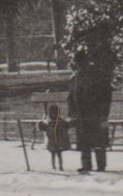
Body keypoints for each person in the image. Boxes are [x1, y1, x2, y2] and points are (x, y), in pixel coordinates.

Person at [68, 44, 113, 173]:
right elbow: (71, 97)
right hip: (82, 114)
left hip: (95, 113)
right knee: (84, 141)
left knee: (98, 140)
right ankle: (86, 164)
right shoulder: (75, 78)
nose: (78, 65)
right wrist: (72, 113)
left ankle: (101, 165)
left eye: (79, 62)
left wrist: (104, 114)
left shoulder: (97, 76)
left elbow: (106, 96)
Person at [37, 102, 71, 171]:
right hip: (52, 141)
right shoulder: (50, 122)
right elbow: (42, 127)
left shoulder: (59, 121)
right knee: (53, 153)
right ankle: (54, 166)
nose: (54, 114)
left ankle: (60, 166)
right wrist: (40, 123)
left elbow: (67, 125)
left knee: (58, 153)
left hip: (58, 141)